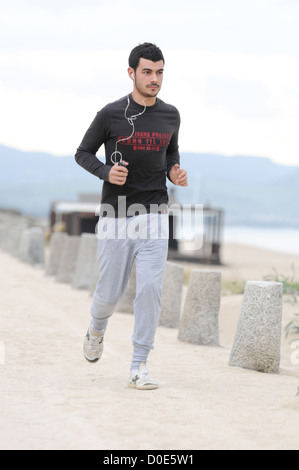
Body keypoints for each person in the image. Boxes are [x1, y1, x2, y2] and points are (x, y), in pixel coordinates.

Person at [75, 42, 188, 390]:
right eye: (147, 72)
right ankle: (97, 328)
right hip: (116, 213)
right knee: (109, 294)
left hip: (155, 211)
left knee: (151, 289)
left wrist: (174, 172)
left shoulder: (171, 115)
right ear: (132, 73)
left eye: (160, 71)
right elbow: (83, 153)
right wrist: (106, 173)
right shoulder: (110, 114)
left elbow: (171, 153)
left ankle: (139, 365)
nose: (155, 78)